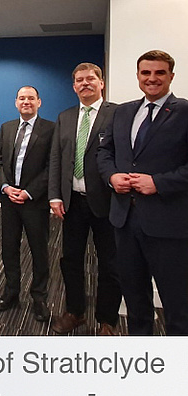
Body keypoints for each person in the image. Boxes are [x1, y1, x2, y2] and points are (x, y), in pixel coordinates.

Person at [98, 50, 188, 335]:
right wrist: (112, 176)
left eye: (159, 73)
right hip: (124, 220)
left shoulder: (185, 112)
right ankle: (142, 356)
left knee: (177, 304)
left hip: (167, 224)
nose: (152, 79)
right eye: (146, 73)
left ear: (171, 76)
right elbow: (105, 152)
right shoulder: (122, 112)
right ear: (138, 76)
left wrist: (158, 183)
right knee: (135, 298)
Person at [48, 62, 121, 335]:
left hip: (107, 202)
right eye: (79, 80)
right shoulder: (65, 117)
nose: (84, 83)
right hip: (73, 202)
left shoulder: (116, 114)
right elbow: (56, 158)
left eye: (90, 79)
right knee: (71, 260)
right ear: (74, 86)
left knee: (109, 264)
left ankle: (107, 320)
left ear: (101, 83)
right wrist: (55, 196)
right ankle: (75, 311)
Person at [0, 86, 55, 320]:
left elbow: (52, 166)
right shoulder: (7, 128)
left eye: (30, 98)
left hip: (34, 202)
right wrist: (6, 187)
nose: (26, 101)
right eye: (22, 98)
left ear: (39, 102)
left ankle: (39, 297)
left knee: (39, 250)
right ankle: (11, 291)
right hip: (9, 199)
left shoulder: (50, 129)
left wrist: (29, 192)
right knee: (9, 248)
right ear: (16, 102)